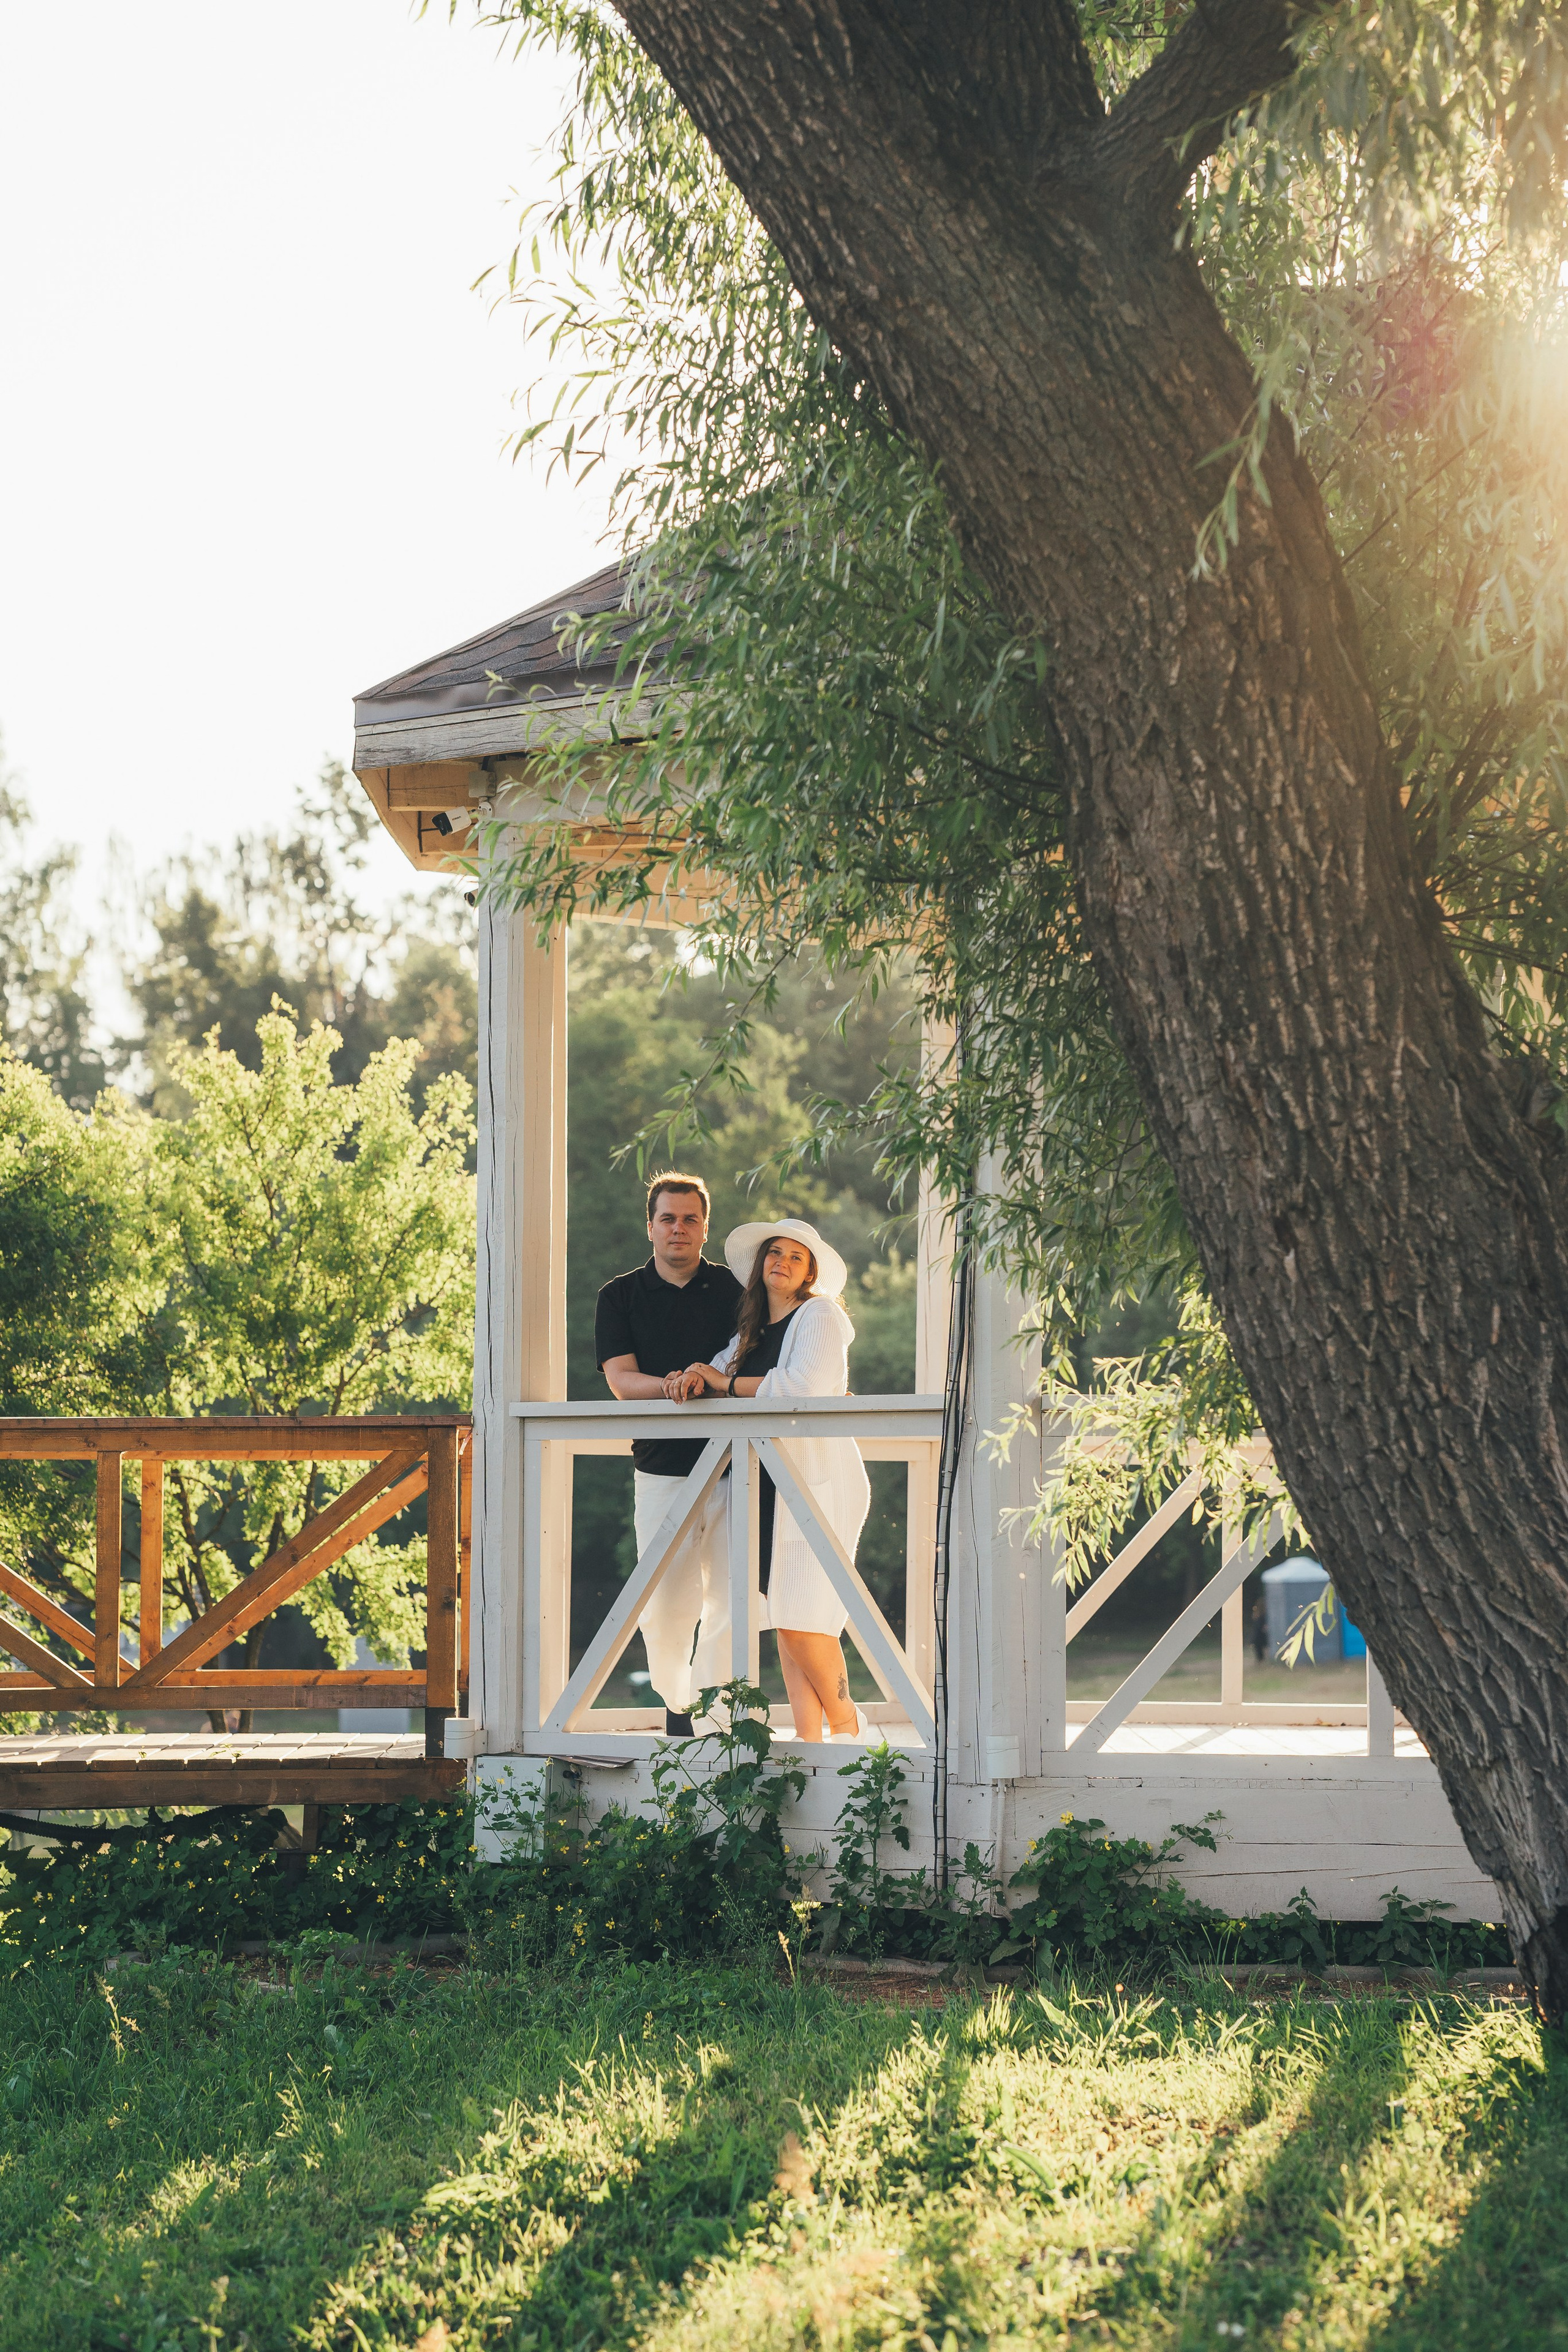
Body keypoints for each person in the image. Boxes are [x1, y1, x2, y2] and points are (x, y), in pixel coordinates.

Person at [679, 1218, 872, 1743]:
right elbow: (715, 1376)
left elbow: (803, 1387)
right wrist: (695, 1378)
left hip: (818, 1480)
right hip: (768, 1487)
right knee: (786, 1615)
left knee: (805, 1617)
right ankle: (813, 1745)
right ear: (761, 1262)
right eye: (775, 1253)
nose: (782, 1263)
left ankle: (851, 1730)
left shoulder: (821, 1315)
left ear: (809, 1272)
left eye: (796, 1257)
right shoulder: (752, 1332)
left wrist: (725, 1382)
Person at [595, 1172, 743, 1734]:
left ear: (705, 1227)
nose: (678, 1229)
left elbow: (749, 1366)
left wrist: (707, 1382)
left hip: (737, 1466)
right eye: (668, 1219)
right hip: (659, 1468)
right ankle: (680, 1711)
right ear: (650, 1226)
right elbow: (621, 1382)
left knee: (733, 1600)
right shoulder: (619, 1296)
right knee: (666, 1604)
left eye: (690, 1219)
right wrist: (676, 1384)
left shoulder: (737, 1291)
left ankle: (725, 1716)